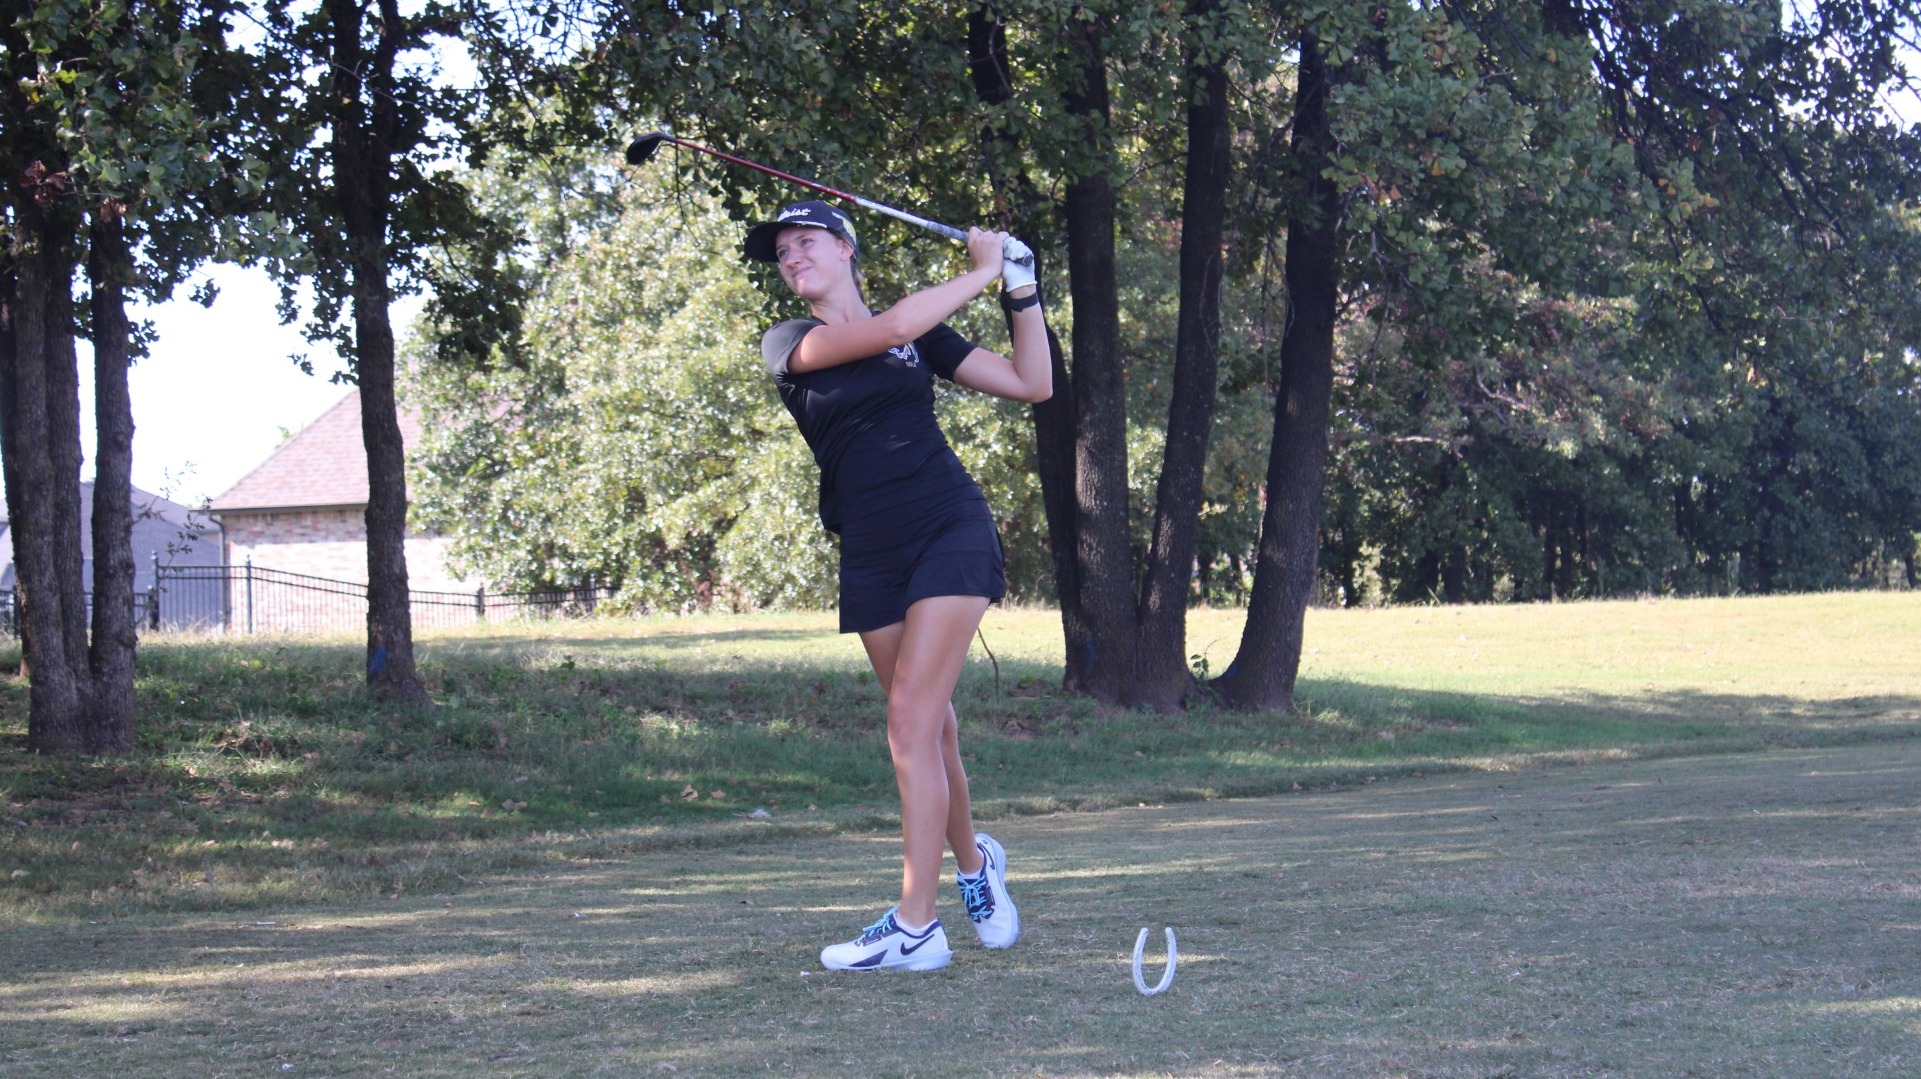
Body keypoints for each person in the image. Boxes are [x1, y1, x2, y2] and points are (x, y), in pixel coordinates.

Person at [744, 200, 1051, 971]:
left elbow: (1031, 383)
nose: (791, 258)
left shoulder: (920, 337)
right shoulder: (791, 342)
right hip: (870, 551)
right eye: (782, 252)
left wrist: (1020, 290)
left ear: (846, 249)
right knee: (930, 726)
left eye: (805, 241)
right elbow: (885, 331)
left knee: (910, 722)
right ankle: (976, 865)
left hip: (947, 527)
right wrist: (980, 268)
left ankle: (917, 924)